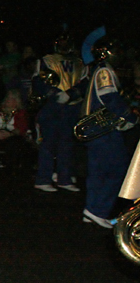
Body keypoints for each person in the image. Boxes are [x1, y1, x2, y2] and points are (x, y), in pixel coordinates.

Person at [74, 37, 137, 228]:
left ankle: (93, 210)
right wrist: (129, 116)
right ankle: (98, 210)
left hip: (98, 130)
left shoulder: (99, 69)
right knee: (115, 169)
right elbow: (109, 97)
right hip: (104, 129)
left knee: (99, 171)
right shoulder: (104, 71)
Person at [32, 32, 86, 192]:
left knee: (67, 145)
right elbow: (37, 81)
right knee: (48, 144)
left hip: (72, 106)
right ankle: (43, 179)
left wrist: (71, 94)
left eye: (66, 42)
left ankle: (64, 178)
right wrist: (55, 94)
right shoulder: (46, 60)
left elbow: (85, 83)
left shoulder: (79, 62)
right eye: (61, 42)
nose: (63, 45)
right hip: (53, 106)